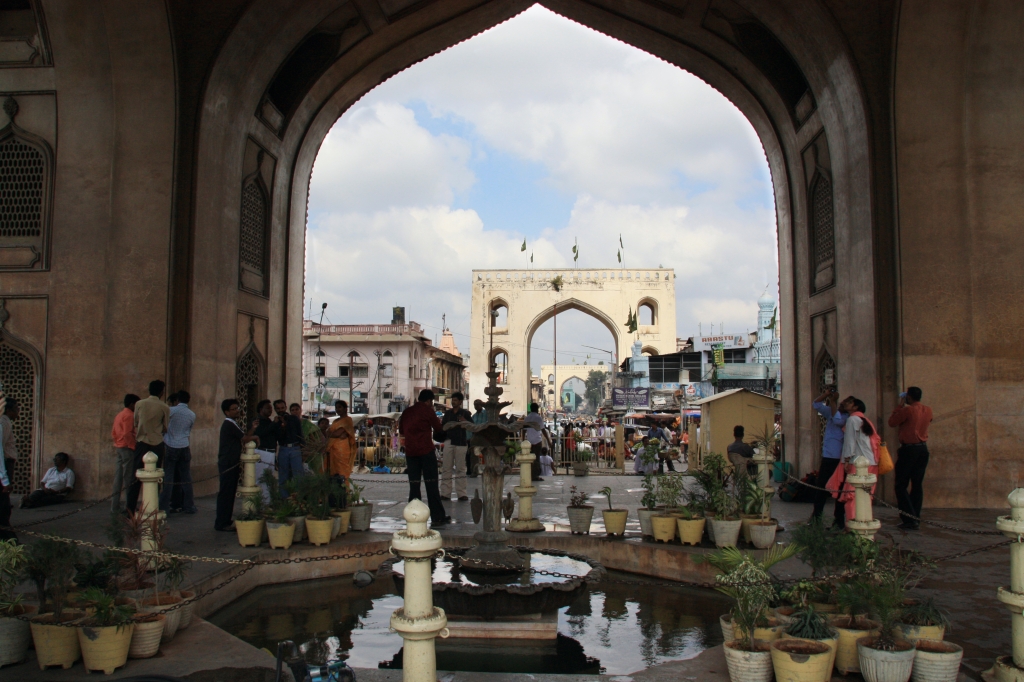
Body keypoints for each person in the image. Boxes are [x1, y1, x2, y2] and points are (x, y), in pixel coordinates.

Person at [399, 389, 449, 526]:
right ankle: (437, 516)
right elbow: (438, 428)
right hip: (426, 451)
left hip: (411, 452)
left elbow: (402, 430)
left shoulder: (407, 412)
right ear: (429, 401)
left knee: (414, 486)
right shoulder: (428, 411)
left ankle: (413, 516)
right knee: (431, 485)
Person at [888, 386, 933, 530]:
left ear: (909, 397)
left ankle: (908, 517)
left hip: (909, 449)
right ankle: (915, 516)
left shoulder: (907, 410)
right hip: (922, 449)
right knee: (917, 484)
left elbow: (892, 422)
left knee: (901, 484)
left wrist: (899, 406)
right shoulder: (928, 410)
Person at [828, 397, 879, 521]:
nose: (845, 403)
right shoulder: (864, 420)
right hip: (870, 462)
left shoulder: (852, 420)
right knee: (864, 494)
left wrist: (846, 460)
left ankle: (853, 524)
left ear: (856, 407)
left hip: (857, 462)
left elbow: (849, 443)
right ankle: (862, 521)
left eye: (849, 402)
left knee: (852, 495)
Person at [126, 380, 170, 513]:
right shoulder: (164, 407)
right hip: (156, 443)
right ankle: (152, 507)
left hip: (142, 442)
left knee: (135, 477)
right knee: (155, 477)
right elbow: (165, 427)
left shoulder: (140, 404)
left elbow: (136, 422)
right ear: (162, 392)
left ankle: (130, 509)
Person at [215, 399, 257, 531]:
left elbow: (243, 436)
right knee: (226, 493)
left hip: (232, 462)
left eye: (237, 408)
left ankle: (226, 519)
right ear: (227, 412)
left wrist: (253, 429)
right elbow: (245, 439)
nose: (237, 410)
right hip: (228, 462)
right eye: (233, 409)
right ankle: (222, 522)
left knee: (230, 492)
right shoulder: (229, 424)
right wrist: (255, 437)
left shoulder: (233, 423)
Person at [811, 388, 851, 528]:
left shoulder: (848, 418)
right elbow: (816, 404)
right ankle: (816, 517)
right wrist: (827, 394)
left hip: (838, 458)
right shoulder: (832, 411)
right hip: (828, 456)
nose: (842, 404)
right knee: (821, 488)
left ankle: (838, 520)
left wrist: (833, 402)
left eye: (846, 403)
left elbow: (837, 420)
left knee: (839, 489)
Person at [161, 391, 197, 514]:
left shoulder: (171, 411)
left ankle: (164, 506)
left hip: (171, 445)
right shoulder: (192, 414)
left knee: (169, 478)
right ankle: (189, 505)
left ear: (177, 400)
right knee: (186, 477)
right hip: (184, 445)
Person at [440, 392, 472, 501]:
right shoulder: (448, 414)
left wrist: (465, 421)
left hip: (461, 442)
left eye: (455, 400)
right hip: (449, 441)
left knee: (460, 469)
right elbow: (443, 427)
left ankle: (462, 493)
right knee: (446, 468)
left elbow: (472, 426)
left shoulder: (465, 413)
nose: (453, 402)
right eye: (452, 400)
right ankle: (445, 493)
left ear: (460, 402)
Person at [110, 394, 140, 513]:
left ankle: (115, 506)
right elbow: (128, 433)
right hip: (127, 448)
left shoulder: (119, 415)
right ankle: (129, 506)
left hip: (119, 447)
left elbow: (114, 432)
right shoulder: (129, 415)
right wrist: (133, 446)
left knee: (118, 478)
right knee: (129, 479)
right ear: (132, 404)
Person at [251, 399, 278, 499]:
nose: (270, 410)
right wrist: (273, 424)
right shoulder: (257, 421)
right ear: (261, 409)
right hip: (262, 452)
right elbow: (261, 433)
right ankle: (258, 501)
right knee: (260, 478)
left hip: (271, 452)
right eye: (268, 408)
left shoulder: (269, 421)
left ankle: (267, 501)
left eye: (271, 408)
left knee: (269, 479)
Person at [274, 399, 305, 485]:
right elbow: (276, 438)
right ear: (275, 409)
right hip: (283, 449)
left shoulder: (293, 419)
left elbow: (300, 435)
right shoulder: (276, 422)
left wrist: (303, 451)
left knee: (298, 475)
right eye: (278, 408)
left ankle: (299, 497)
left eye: (282, 408)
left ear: (285, 408)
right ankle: (285, 497)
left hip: (295, 448)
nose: (280, 410)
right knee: (283, 476)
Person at [325, 400, 357, 483]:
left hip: (342, 451)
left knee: (342, 473)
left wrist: (333, 434)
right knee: (332, 472)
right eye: (336, 407)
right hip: (332, 450)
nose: (338, 409)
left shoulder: (347, 420)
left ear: (345, 409)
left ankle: (345, 493)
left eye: (340, 407)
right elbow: (330, 433)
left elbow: (336, 433)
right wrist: (335, 435)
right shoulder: (335, 421)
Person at [520, 403, 545, 480]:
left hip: (529, 442)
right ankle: (535, 476)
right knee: (536, 458)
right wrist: (548, 440)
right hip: (537, 441)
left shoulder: (527, 418)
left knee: (529, 459)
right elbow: (543, 430)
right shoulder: (538, 418)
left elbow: (523, 430)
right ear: (537, 409)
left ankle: (530, 475)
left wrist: (523, 440)